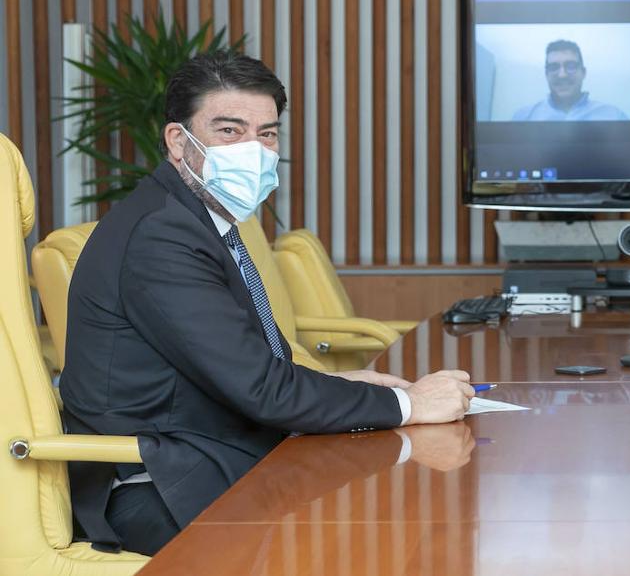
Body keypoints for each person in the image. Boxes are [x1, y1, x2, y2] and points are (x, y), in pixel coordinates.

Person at [59, 51, 476, 555]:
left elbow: (245, 367)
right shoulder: (161, 237)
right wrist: (410, 404)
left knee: (397, 510)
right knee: (388, 528)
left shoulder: (199, 221)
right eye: (230, 131)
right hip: (162, 485)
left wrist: (337, 384)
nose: (254, 150)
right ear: (178, 141)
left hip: (210, 449)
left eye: (267, 134)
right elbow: (262, 389)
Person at [511, 39, 628, 120]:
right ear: (546, 74)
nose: (562, 75)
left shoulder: (615, 116)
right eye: (554, 67)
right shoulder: (523, 117)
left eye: (571, 66)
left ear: (583, 73)